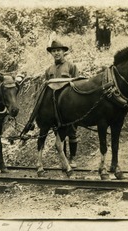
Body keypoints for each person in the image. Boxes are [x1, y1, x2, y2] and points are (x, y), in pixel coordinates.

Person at [45, 40, 79, 168]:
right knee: (59, 134)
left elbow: (78, 85)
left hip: (69, 105)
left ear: (64, 52)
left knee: (72, 132)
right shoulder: (49, 70)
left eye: (59, 50)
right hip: (55, 106)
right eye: (54, 51)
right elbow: (47, 89)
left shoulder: (71, 67)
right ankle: (63, 161)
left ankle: (73, 159)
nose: (56, 53)